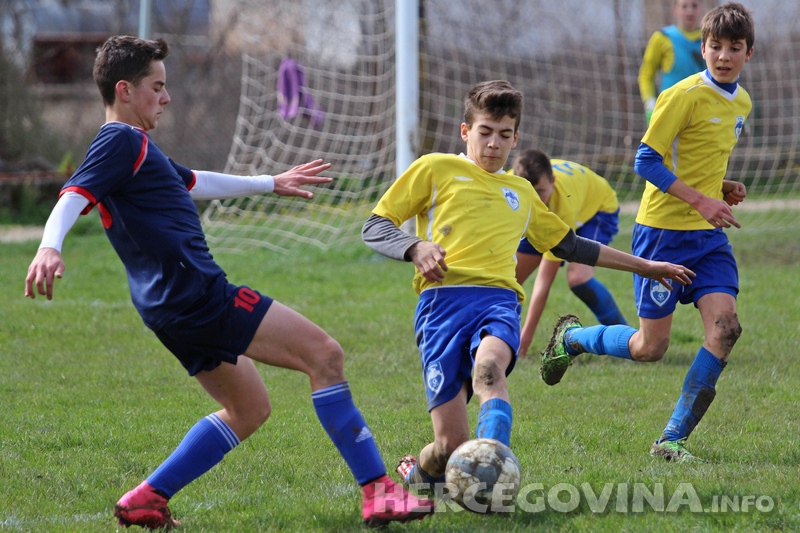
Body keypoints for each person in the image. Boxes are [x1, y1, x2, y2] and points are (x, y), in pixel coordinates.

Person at [24, 35, 433, 529]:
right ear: (125, 90)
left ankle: (147, 498)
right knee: (324, 355)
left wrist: (270, 183)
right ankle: (379, 491)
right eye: (158, 86)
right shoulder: (120, 139)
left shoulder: (136, 148)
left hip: (166, 309)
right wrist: (51, 245)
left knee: (249, 407)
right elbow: (72, 195)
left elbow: (192, 181)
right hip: (197, 295)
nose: (166, 97)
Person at [361, 80, 694, 490]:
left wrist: (645, 266)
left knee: (489, 370)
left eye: (504, 135)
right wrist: (415, 247)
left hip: (498, 302)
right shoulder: (434, 169)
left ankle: (491, 472)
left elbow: (570, 245)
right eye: (484, 132)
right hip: (440, 307)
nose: (493, 144)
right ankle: (421, 476)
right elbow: (376, 226)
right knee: (449, 444)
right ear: (466, 132)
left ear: (515, 138)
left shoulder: (520, 190)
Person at [541, 2, 754, 464]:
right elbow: (646, 161)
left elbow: (698, 163)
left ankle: (671, 440)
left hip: (708, 238)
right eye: (715, 46)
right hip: (662, 234)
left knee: (727, 329)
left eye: (734, 48)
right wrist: (701, 198)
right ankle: (573, 339)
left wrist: (721, 186)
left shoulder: (742, 103)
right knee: (649, 347)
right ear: (703, 48)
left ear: (748, 54)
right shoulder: (681, 95)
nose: (723, 55)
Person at [513, 149, 628, 357]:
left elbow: (543, 282)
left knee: (578, 278)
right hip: (543, 218)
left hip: (596, 210)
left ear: (553, 182)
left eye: (540, 191)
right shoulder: (510, 184)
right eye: (528, 192)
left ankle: (629, 341)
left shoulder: (562, 204)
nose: (534, 199)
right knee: (508, 282)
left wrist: (525, 339)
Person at [638, 0, 707, 125]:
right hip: (669, 111)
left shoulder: (710, 40)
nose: (689, 11)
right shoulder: (662, 37)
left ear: (701, 9)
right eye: (684, 6)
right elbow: (646, 75)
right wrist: (650, 104)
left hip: (701, 112)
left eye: (694, 5)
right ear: (675, 10)